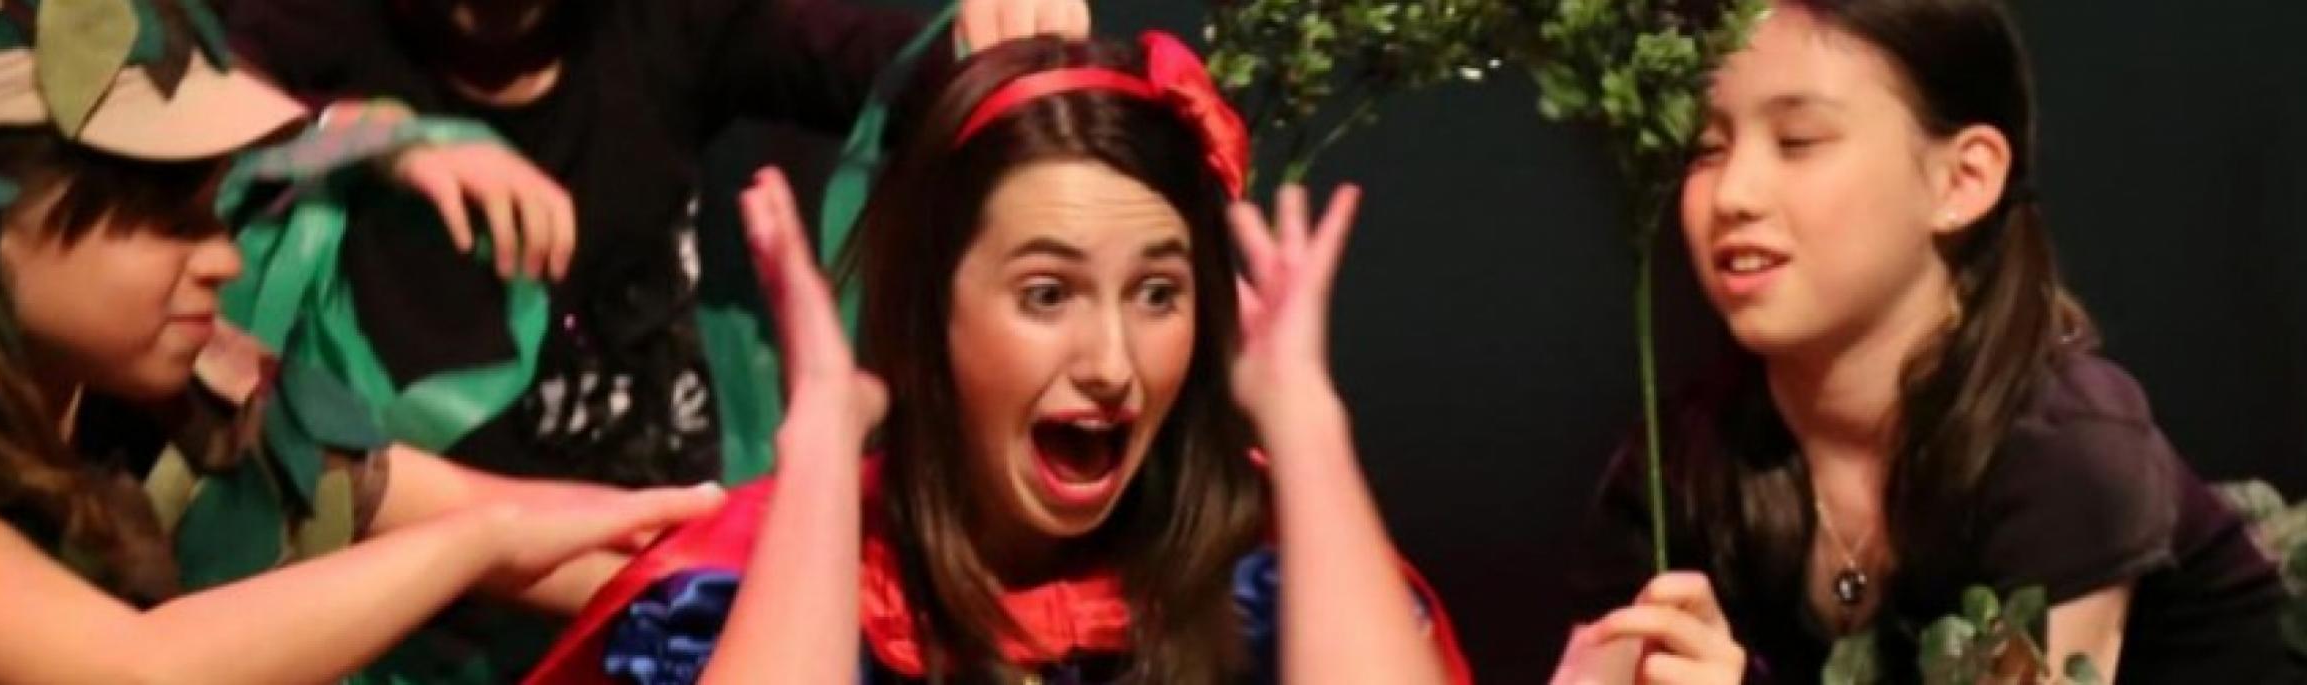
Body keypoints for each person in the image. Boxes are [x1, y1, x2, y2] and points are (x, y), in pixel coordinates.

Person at [0, 0, 722, 679]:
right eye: (166, 217)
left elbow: (476, 510)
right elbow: (133, 669)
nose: (222, 259)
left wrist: (738, 551)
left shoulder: (164, 378)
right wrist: (474, 545)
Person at [521, 33, 1475, 683]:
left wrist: (1303, 419)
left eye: (1158, 294)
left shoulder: (1263, 584)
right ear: (934, 311)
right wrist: (820, 436)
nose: (1112, 362)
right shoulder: (763, 593)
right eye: (1047, 295)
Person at [1559, 1, 2300, 682]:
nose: (1733, 194)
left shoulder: (2064, 452)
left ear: (1963, 179)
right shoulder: (1679, 469)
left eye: (1798, 141)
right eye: (1707, 148)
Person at [219, 0, 1093, 487]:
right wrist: (371, 135)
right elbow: (194, 109)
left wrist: (987, 38)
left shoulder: (659, 23)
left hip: (654, 534)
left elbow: (874, 59)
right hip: (434, 570)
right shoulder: (323, 25)